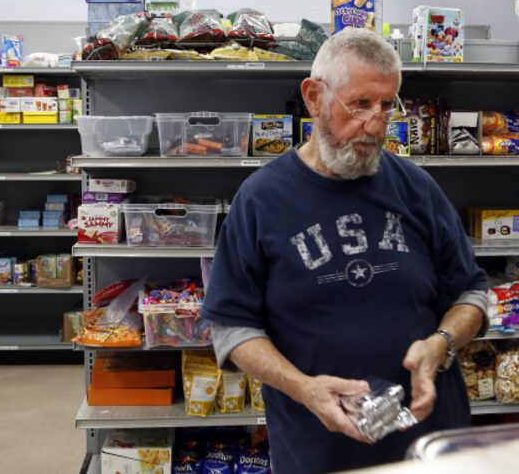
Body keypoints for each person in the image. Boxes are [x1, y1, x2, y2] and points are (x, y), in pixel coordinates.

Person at [201, 28, 487, 473]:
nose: (375, 124)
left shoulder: (417, 189)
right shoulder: (260, 200)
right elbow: (233, 328)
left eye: (387, 105)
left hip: (428, 442)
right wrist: (302, 387)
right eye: (360, 104)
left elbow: (471, 292)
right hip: (317, 447)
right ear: (314, 97)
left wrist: (442, 343)